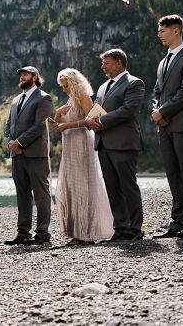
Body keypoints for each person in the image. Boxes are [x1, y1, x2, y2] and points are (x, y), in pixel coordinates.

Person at [151, 14, 183, 239]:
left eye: (163, 30)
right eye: (159, 30)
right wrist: (156, 111)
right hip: (165, 127)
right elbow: (156, 93)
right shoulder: (163, 62)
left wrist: (163, 111)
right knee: (173, 173)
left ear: (176, 31)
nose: (159, 34)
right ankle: (177, 222)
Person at [87, 49, 145, 242]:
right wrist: (89, 120)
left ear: (119, 63)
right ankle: (120, 229)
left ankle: (135, 229)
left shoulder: (135, 83)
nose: (103, 66)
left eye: (107, 63)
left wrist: (101, 121)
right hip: (103, 144)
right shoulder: (103, 87)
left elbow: (128, 110)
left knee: (128, 186)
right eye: (102, 63)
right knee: (112, 187)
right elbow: (94, 109)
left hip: (123, 143)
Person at [53, 68, 114, 245]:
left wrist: (68, 125)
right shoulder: (69, 99)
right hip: (70, 145)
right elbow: (59, 126)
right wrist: (58, 114)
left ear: (73, 83)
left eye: (66, 86)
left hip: (82, 143)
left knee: (83, 186)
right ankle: (75, 231)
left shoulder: (83, 97)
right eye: (62, 86)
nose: (64, 89)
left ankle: (86, 232)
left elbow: (91, 120)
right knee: (71, 186)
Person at [3, 66, 54, 246]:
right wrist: (11, 142)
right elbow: (8, 125)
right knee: (22, 195)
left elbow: (39, 125)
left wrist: (20, 143)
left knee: (41, 194)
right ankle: (23, 233)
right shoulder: (16, 100)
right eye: (21, 75)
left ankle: (42, 233)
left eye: (25, 75)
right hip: (17, 155)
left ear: (34, 77)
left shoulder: (44, 98)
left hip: (35, 154)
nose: (22, 77)